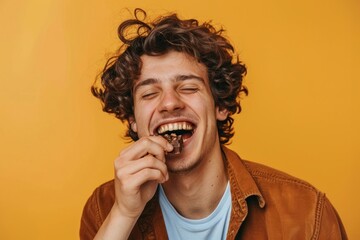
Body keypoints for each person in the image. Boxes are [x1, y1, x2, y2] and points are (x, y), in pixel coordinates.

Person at [80, 8, 347, 240]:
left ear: (220, 105)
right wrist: (125, 214)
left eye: (188, 87)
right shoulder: (104, 209)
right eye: (149, 94)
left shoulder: (306, 212)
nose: (169, 103)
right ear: (132, 119)